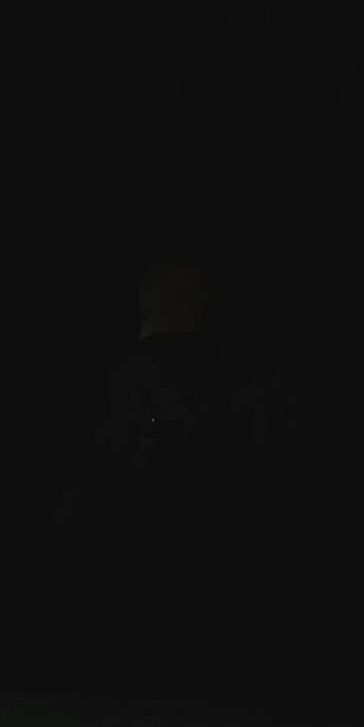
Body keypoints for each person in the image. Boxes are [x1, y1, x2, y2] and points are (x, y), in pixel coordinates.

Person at [48, 249, 315, 594]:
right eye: (166, 344)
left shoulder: (262, 381)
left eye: (187, 343)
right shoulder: (136, 376)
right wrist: (138, 465)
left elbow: (288, 485)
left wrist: (217, 459)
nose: (174, 356)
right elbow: (96, 477)